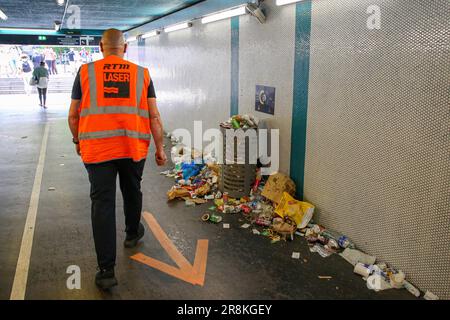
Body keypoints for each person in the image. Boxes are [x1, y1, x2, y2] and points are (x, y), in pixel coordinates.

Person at [68, 28, 167, 290]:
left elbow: (73, 116)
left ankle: (106, 271)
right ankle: (133, 233)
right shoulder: (142, 74)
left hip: (98, 150)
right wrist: (160, 148)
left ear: (101, 47)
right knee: (132, 189)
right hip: (133, 146)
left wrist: (78, 140)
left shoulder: (85, 72)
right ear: (125, 48)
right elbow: (154, 116)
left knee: (102, 205)